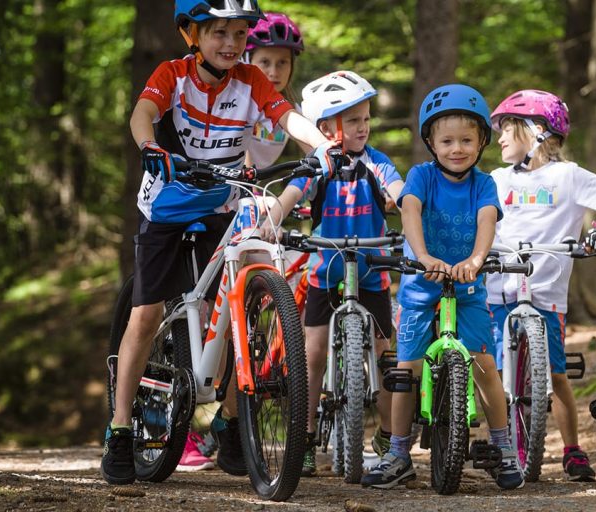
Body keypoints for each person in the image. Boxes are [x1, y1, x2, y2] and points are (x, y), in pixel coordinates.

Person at [101, 0, 337, 486]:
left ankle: (230, 422)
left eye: (237, 34)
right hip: (166, 204)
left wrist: (322, 147)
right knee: (145, 314)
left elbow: (287, 115)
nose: (230, 44)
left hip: (221, 205)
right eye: (218, 34)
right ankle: (120, 428)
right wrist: (149, 147)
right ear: (192, 35)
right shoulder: (174, 73)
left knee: (228, 313)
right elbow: (142, 113)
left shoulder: (250, 80)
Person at [360, 84, 523, 491]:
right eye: (447, 140)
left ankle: (503, 448)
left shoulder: (483, 184)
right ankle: (398, 453)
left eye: (467, 140)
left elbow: (487, 220)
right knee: (406, 371)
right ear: (430, 142)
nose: (457, 149)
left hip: (467, 287)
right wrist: (422, 255)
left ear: (482, 141)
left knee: (484, 365)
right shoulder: (421, 176)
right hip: (422, 285)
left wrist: (475, 260)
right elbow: (409, 209)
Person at [486, 89, 596, 482]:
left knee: (556, 374)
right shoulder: (496, 179)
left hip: (546, 293)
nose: (498, 138)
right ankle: (504, 447)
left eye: (507, 129)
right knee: (499, 374)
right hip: (499, 287)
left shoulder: (568, 175)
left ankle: (571, 449)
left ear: (535, 132)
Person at [264, 70, 404, 477]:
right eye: (354, 120)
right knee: (311, 354)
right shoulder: (318, 166)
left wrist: (404, 202)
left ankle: (389, 437)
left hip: (372, 271)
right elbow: (290, 196)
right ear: (325, 128)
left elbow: (396, 191)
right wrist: (269, 223)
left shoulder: (376, 162)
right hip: (325, 270)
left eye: (366, 118)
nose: (364, 127)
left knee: (384, 354)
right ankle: (304, 437)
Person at [242, 12, 307, 168]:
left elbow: (314, 147)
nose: (274, 72)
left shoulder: (292, 110)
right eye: (265, 62)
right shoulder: (238, 104)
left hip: (253, 185)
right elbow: (242, 157)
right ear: (246, 62)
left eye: (282, 62)